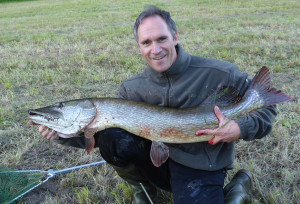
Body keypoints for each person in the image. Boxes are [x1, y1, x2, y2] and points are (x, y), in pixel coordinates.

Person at [29, 6, 277, 204]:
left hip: (201, 167)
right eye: (146, 42)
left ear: (175, 37)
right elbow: (95, 137)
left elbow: (266, 109)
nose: (155, 50)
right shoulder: (131, 89)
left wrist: (239, 128)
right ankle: (143, 189)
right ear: (139, 46)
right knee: (112, 137)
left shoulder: (219, 73)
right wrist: (60, 135)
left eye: (161, 39)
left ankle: (236, 189)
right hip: (155, 162)